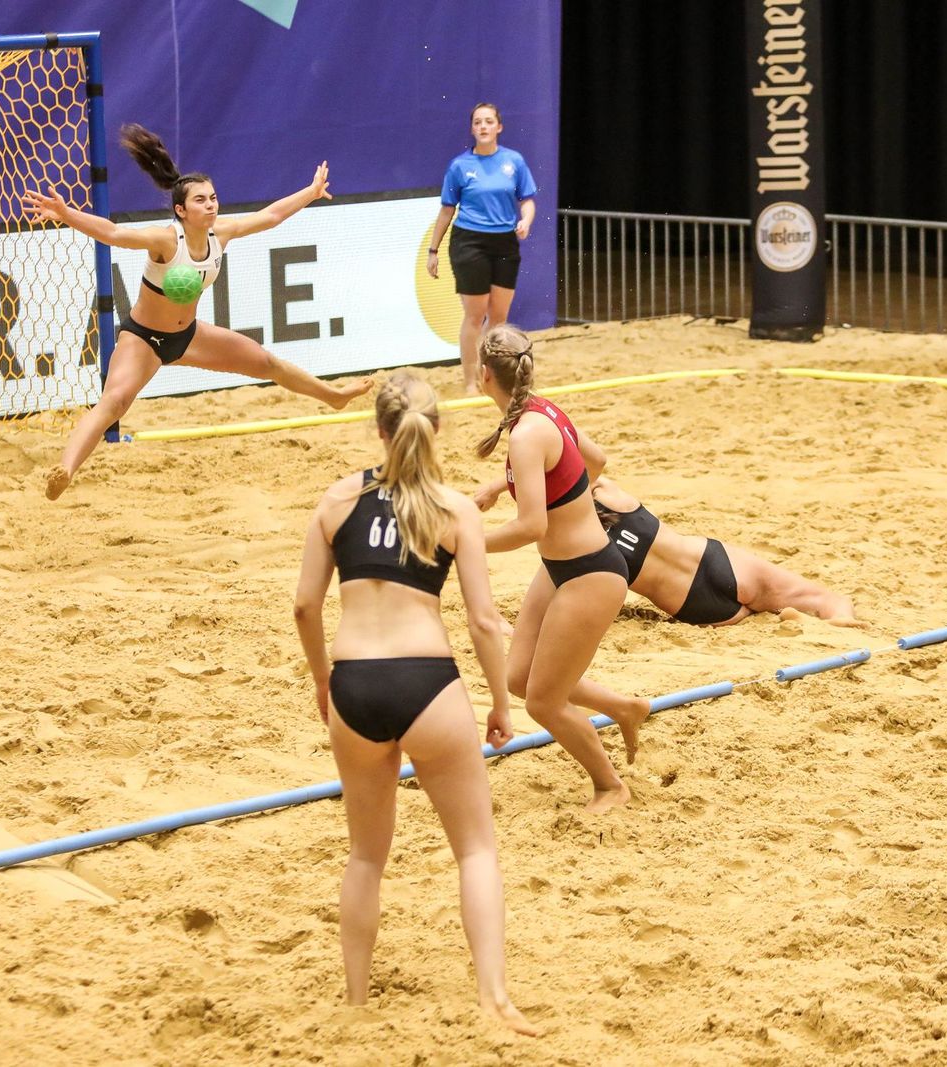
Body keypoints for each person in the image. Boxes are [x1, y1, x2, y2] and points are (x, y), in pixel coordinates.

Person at [292, 372, 537, 1036]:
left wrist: (322, 679)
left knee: (366, 855)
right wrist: (498, 703)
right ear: (437, 431)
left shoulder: (338, 499)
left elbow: (305, 604)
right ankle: (493, 998)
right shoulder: (454, 509)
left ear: (378, 429)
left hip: (353, 684)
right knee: (476, 850)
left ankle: (355, 1002)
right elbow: (484, 621)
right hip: (427, 680)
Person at [23, 123, 372, 499]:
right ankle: (66, 469)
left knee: (266, 363)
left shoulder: (219, 234)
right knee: (115, 402)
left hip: (188, 336)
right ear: (181, 210)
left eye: (213, 197)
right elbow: (112, 233)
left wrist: (311, 191)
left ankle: (333, 396)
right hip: (144, 340)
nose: (211, 205)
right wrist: (65, 213)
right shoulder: (163, 239)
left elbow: (270, 216)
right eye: (201, 200)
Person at [472, 325, 650, 812]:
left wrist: (467, 543)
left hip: (592, 572)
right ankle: (623, 707)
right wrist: (506, 485)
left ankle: (610, 784)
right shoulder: (539, 411)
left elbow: (531, 526)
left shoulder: (526, 434)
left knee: (542, 703)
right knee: (520, 678)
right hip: (562, 568)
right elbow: (594, 460)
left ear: (483, 375)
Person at [591, 477, 861, 627]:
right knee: (826, 599)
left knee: (751, 618)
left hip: (691, 604)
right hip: (714, 560)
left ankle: (795, 622)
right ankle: (837, 621)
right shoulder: (607, 493)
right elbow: (591, 461)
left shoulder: (574, 543)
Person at [425, 104, 538, 393]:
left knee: (498, 318)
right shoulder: (460, 166)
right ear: (472, 129)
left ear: (499, 127)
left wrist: (525, 220)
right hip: (469, 241)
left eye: (489, 121)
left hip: (504, 241)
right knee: (475, 315)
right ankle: (469, 382)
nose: (484, 126)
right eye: (478, 122)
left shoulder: (514, 162)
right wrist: (433, 250)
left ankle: (492, 376)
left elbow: (527, 200)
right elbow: (446, 211)